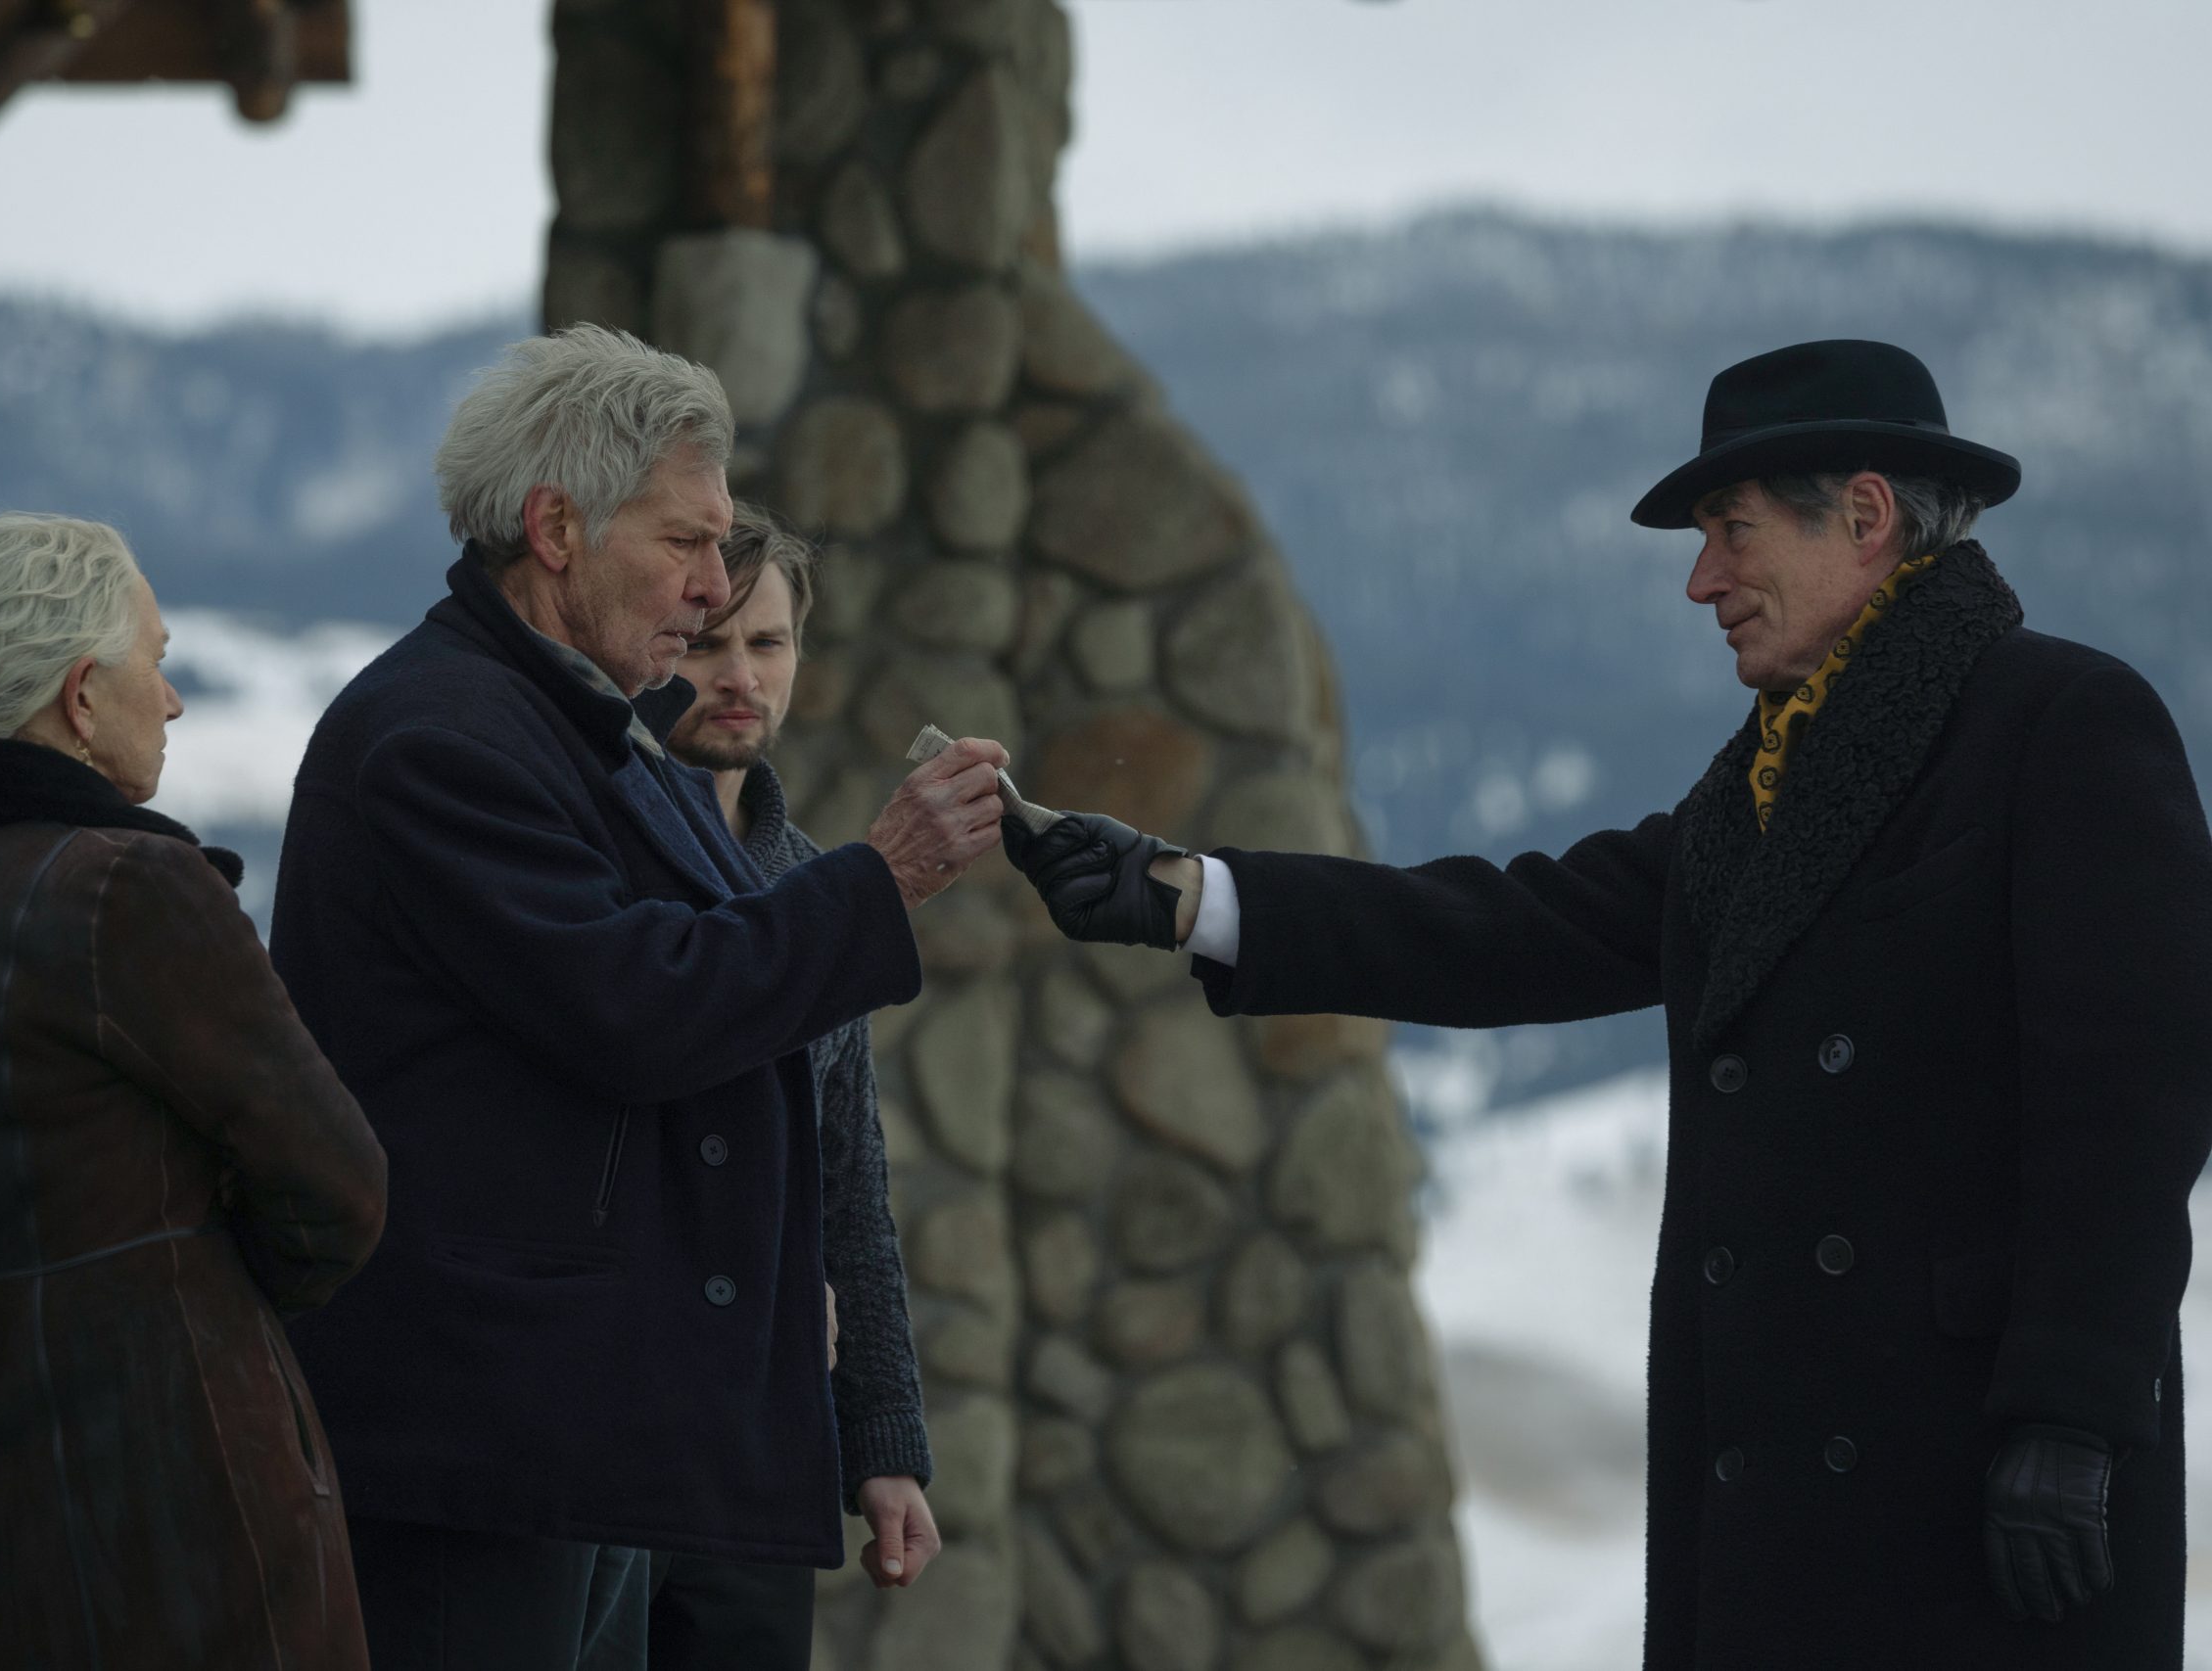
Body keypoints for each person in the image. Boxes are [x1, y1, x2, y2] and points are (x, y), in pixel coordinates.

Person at [1003, 340, 2212, 1670]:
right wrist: (1188, 893)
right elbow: (1521, 928)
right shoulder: (1767, 786)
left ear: (1864, 516)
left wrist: (2072, 1417)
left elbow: (2133, 1108)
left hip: (1984, 1501)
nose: (1702, 582)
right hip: (1784, 1524)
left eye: (1731, 532)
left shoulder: (2066, 725)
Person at [270, 325, 1007, 1671]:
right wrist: (883, 876)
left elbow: (823, 1134)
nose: (711, 589)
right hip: (477, 1452)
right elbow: (640, 1002)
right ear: (556, 526)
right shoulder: (443, 736)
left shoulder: (566, 727)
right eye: (686, 545)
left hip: (577, 1436)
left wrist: (872, 1420)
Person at [0, 512, 390, 1671]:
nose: (170, 700)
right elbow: (343, 1190)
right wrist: (206, 1301)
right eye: (155, 664)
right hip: (167, 1511)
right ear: (79, 696)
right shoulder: (128, 890)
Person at [651, 502, 941, 1665]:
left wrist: (881, 1440)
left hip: (761, 1447)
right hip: (601, 1424)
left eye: (766, 646)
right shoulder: (590, 857)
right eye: (710, 643)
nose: (738, 678)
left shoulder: (814, 880)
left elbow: (847, 1186)